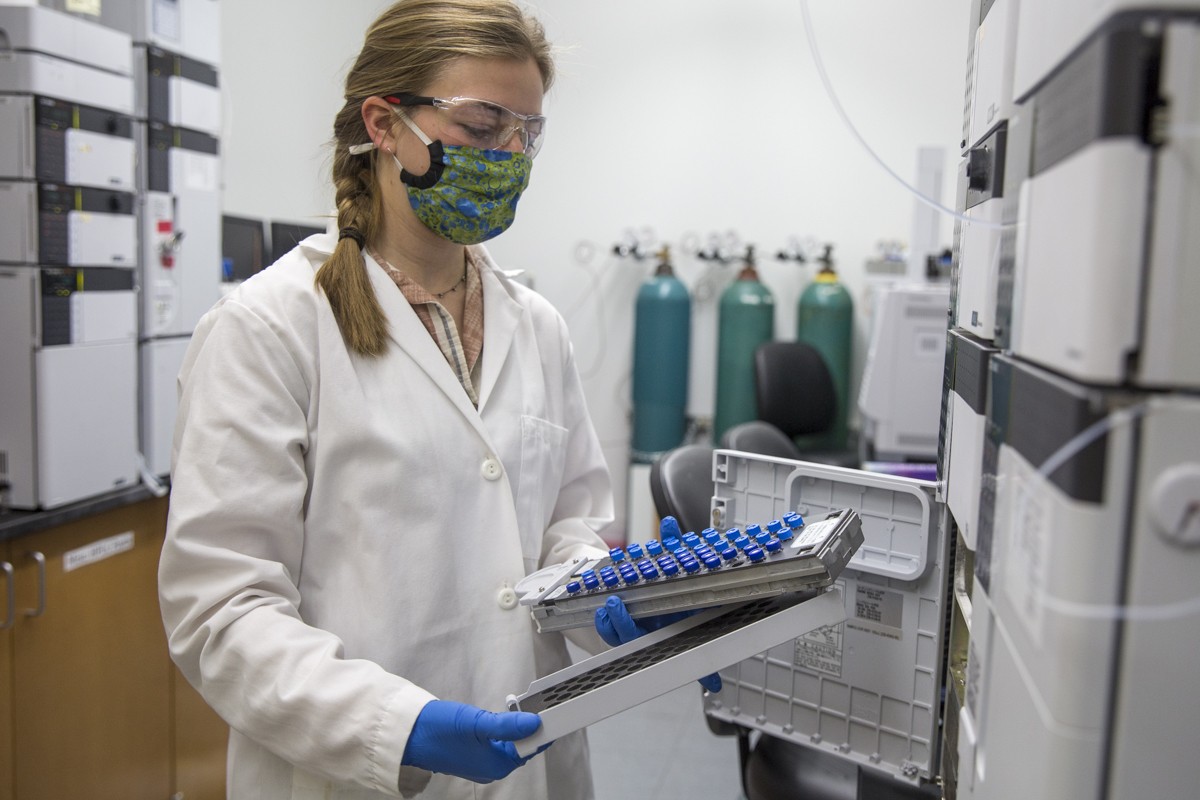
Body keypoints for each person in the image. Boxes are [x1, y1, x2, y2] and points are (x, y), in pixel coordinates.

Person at [158, 2, 619, 797]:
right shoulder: (269, 327)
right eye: (483, 126)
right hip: (350, 773)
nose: (509, 154)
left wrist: (608, 591)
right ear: (383, 123)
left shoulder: (535, 325)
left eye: (527, 134)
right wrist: (397, 726)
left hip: (532, 765)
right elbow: (221, 611)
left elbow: (567, 524)